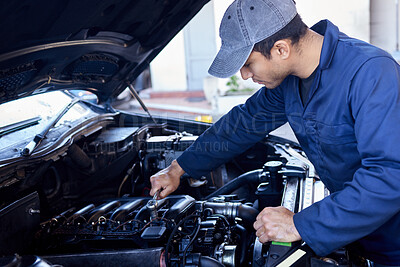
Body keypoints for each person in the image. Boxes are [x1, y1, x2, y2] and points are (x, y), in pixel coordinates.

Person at [150, 0, 400, 265]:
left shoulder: (371, 73)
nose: (245, 75)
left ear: (281, 49)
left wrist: (300, 225)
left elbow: (390, 175)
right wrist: (178, 168)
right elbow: (244, 123)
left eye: (248, 64)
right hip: (355, 235)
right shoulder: (290, 82)